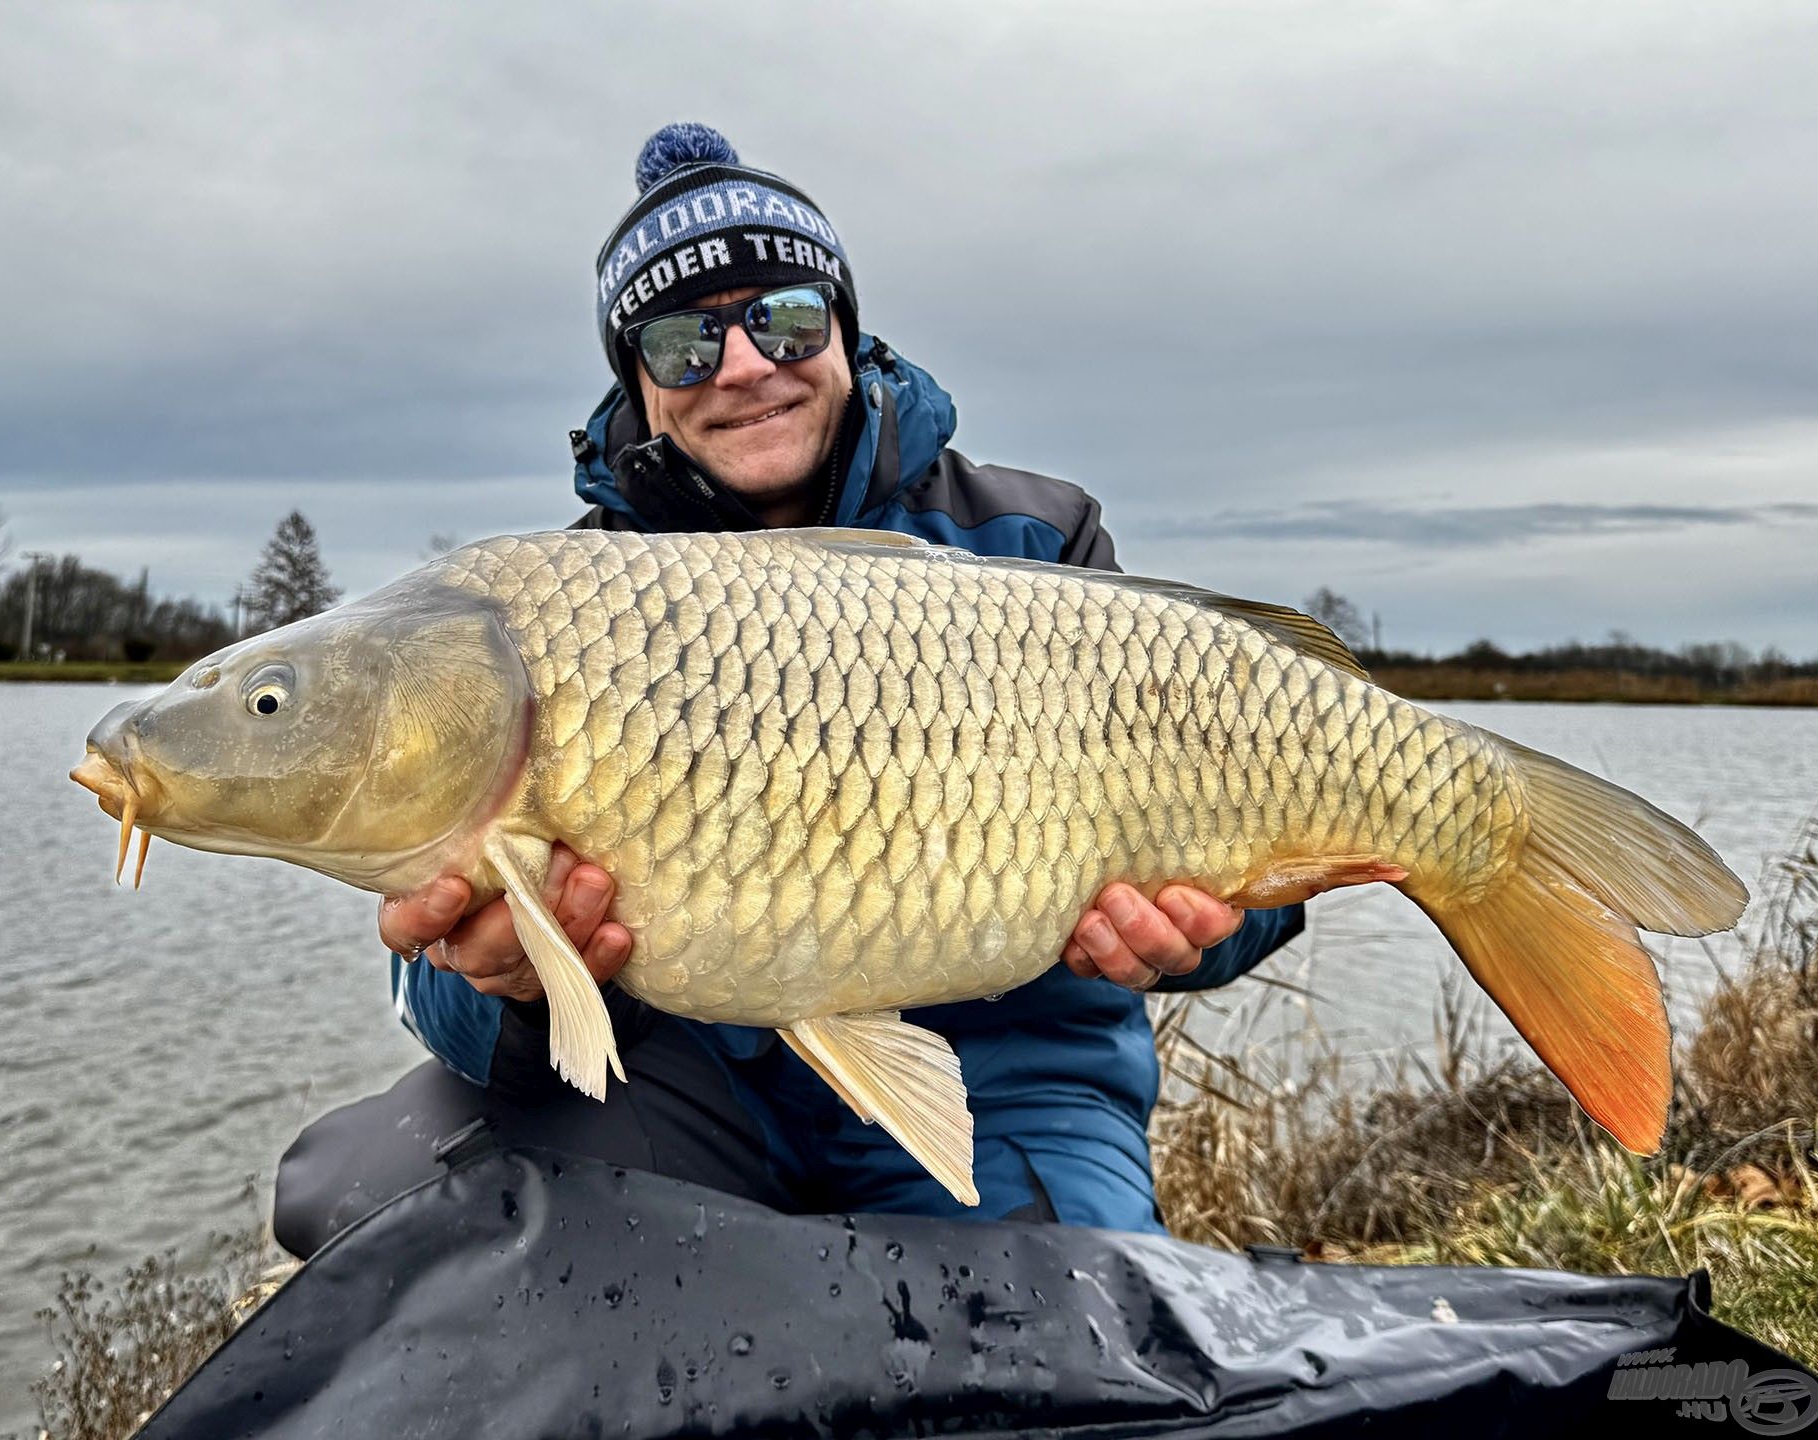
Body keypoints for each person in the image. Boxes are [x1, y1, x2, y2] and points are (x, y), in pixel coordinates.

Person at [273, 124, 1303, 1258]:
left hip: (1006, 1086)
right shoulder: (550, 614)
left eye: (787, 318)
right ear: (638, 386)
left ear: (848, 333)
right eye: (681, 343)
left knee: (1063, 1343)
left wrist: (1194, 936)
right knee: (371, 1194)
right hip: (685, 1085)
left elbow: (1265, 872)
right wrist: (508, 985)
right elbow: (438, 1001)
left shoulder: (1032, 544)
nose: (747, 367)